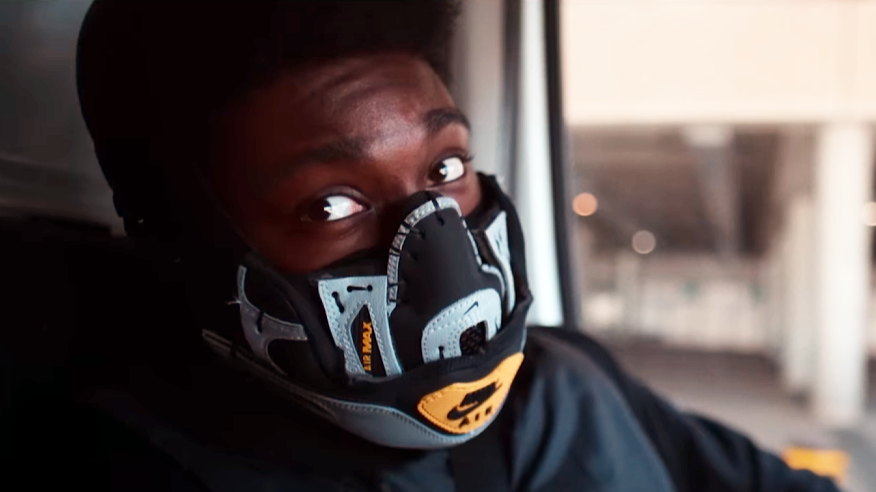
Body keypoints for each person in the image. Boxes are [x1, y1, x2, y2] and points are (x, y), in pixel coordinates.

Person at [0, 1, 842, 491]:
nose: (441, 252)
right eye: (332, 204)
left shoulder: (564, 384)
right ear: (189, 247)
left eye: (445, 168)